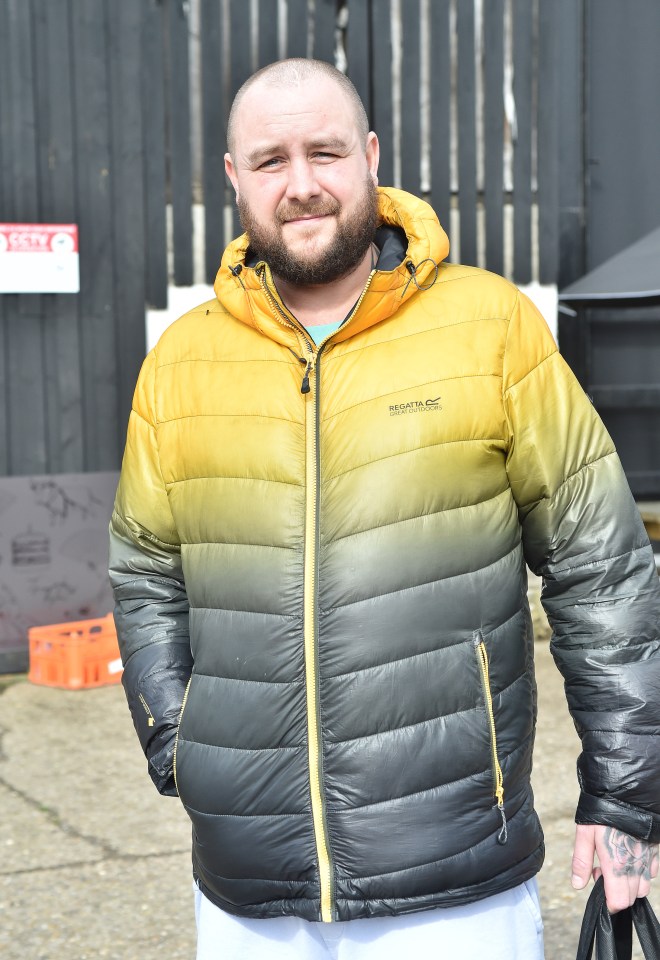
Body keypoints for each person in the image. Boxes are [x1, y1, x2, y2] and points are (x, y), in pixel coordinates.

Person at [109, 58, 660, 959]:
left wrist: (628, 795)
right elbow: (144, 568)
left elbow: (600, 564)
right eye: (271, 160)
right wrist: (181, 740)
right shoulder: (181, 362)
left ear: (370, 155)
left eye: (324, 152)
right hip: (250, 890)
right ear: (233, 178)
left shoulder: (489, 326)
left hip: (456, 881)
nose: (301, 185)